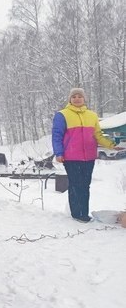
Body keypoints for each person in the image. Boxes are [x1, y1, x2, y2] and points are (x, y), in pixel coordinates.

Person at [52, 87, 122, 223]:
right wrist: (58, 153)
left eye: (80, 96)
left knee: (85, 185)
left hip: (89, 157)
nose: (77, 99)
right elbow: (57, 135)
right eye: (74, 97)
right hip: (71, 157)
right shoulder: (62, 115)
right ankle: (77, 214)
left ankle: (84, 212)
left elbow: (98, 135)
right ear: (70, 99)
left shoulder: (92, 115)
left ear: (84, 99)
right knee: (75, 184)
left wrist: (112, 145)